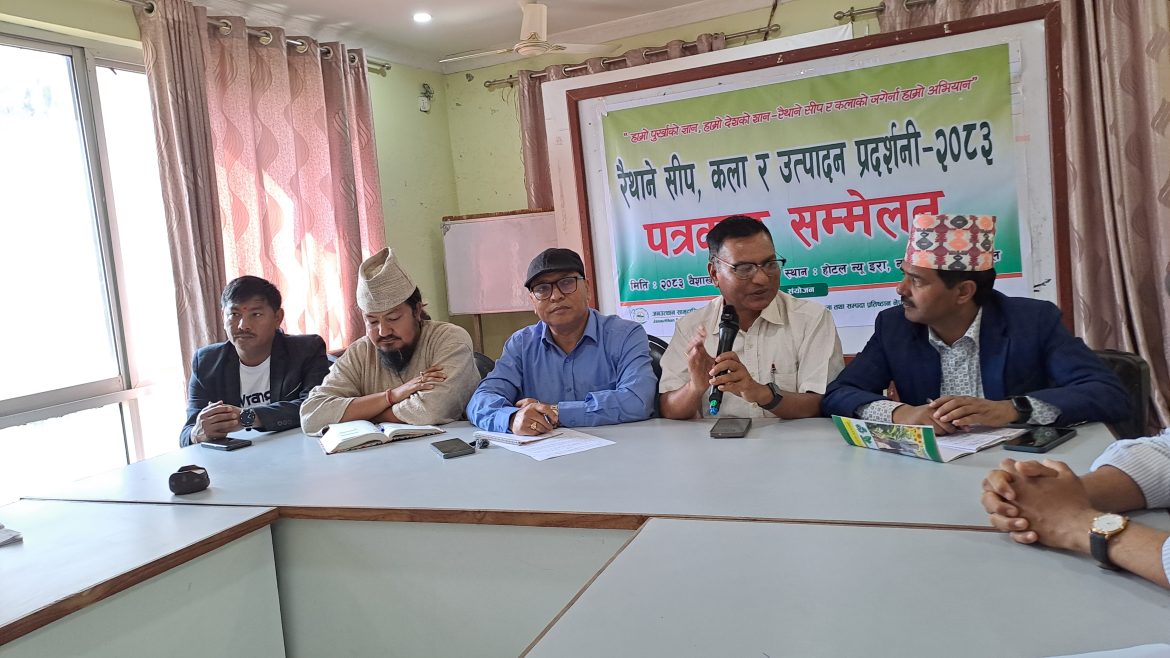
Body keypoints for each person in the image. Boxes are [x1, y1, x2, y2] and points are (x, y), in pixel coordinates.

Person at [822, 213, 1128, 433]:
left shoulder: (1032, 321)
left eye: (916, 281)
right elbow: (839, 393)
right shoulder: (894, 326)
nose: (900, 289)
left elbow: (1106, 392)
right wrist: (902, 414)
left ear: (963, 292)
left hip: (1019, 470)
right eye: (903, 275)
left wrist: (1010, 409)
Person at [657, 215, 844, 420]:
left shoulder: (811, 319)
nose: (762, 279)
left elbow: (820, 404)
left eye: (770, 264)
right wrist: (694, 387)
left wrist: (761, 394)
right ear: (714, 274)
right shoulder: (691, 328)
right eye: (744, 269)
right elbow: (669, 409)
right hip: (715, 441)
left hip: (793, 440)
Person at [465, 248, 656, 435]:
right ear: (533, 301)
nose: (556, 296)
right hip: (543, 453)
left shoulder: (625, 335)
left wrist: (554, 412)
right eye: (542, 289)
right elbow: (480, 401)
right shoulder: (521, 344)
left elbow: (638, 400)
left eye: (566, 283)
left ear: (587, 288)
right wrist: (512, 418)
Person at [300, 248, 480, 434]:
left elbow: (432, 410)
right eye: (372, 321)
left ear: (417, 311)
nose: (383, 331)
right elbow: (311, 415)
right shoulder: (360, 353)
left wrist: (363, 412)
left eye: (393, 318)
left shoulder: (450, 339)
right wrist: (391, 396)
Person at [182, 276, 330, 446]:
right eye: (234, 314)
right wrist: (197, 433)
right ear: (223, 316)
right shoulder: (206, 362)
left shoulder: (306, 350)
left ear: (278, 318)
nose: (243, 325)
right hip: (235, 458)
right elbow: (187, 433)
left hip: (298, 448)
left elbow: (316, 407)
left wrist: (247, 417)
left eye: (256, 314)